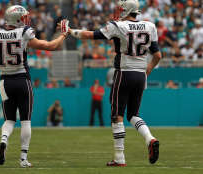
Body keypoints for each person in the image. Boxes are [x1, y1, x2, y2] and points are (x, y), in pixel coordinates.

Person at [69, 0, 161, 166]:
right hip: (140, 75)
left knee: (117, 115)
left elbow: (92, 35)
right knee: (133, 114)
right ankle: (150, 138)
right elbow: (158, 56)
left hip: (124, 73)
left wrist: (71, 31)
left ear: (126, 10)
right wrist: (146, 71)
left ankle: (119, 157)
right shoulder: (150, 26)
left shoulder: (119, 26)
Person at [0, 5, 69, 167]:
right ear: (17, 18)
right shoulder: (23, 32)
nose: (26, 19)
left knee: (9, 120)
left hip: (5, 81)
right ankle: (23, 159)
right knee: (25, 121)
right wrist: (63, 35)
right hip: (22, 80)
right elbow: (50, 46)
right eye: (23, 17)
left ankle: (4, 140)